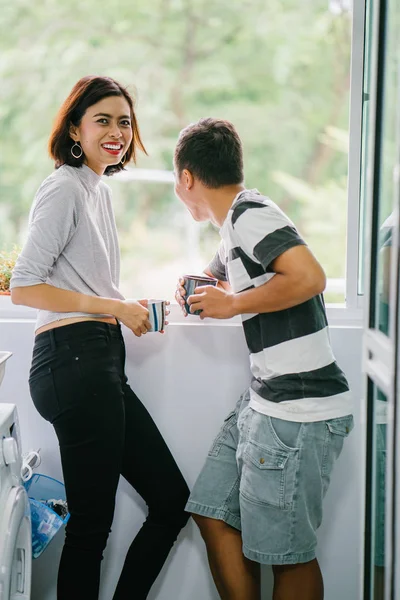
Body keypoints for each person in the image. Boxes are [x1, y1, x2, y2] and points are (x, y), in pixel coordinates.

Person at [10, 75, 190, 600]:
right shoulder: (65, 185)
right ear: (74, 128)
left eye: (125, 122)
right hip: (73, 361)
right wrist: (113, 306)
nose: (117, 132)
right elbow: (24, 286)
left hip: (96, 360)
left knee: (170, 500)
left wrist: (124, 306)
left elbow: (80, 281)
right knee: (92, 529)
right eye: (103, 120)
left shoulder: (97, 190)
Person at [174, 118, 354, 600]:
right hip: (264, 402)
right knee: (211, 510)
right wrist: (200, 287)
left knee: (287, 559)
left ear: (186, 179)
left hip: (296, 410)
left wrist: (231, 303)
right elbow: (220, 278)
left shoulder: (251, 214)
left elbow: (309, 277)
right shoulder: (234, 224)